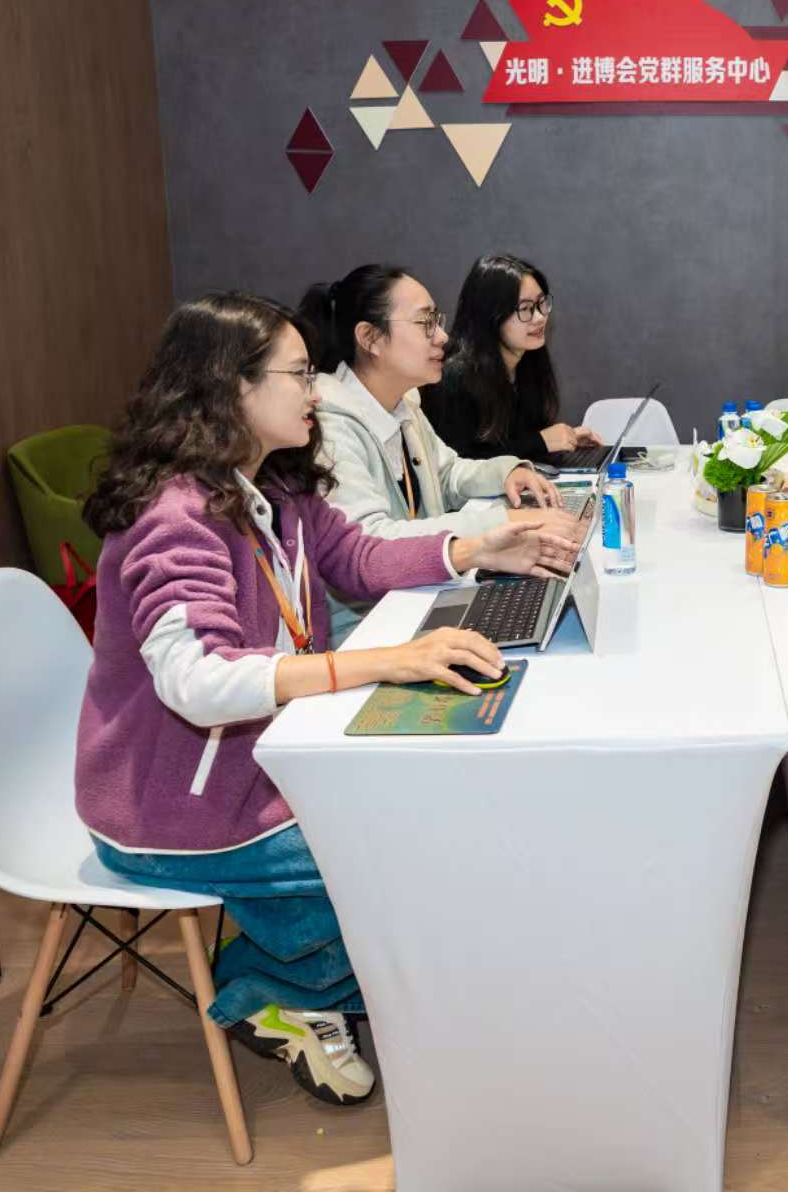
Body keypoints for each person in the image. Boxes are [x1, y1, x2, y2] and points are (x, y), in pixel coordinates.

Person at [76, 292, 577, 1106]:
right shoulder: (173, 517)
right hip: (171, 809)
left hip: (265, 763)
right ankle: (273, 985)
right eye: (299, 374)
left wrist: (479, 549)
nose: (315, 390)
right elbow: (197, 682)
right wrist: (385, 662)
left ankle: (305, 978)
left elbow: (359, 559)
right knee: (405, 857)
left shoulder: (272, 486)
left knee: (432, 833)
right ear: (229, 386)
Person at [298, 264, 582, 636]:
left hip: (421, 595)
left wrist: (507, 471)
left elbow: (448, 473)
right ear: (370, 338)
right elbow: (372, 543)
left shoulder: (405, 405)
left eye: (439, 321)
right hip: (368, 626)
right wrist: (503, 522)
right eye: (426, 323)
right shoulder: (330, 426)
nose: (443, 337)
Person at [422, 254, 600, 462]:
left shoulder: (527, 362)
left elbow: (513, 443)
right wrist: (541, 441)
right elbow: (460, 464)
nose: (540, 317)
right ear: (491, 315)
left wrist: (564, 439)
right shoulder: (454, 376)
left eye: (541, 303)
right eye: (525, 309)